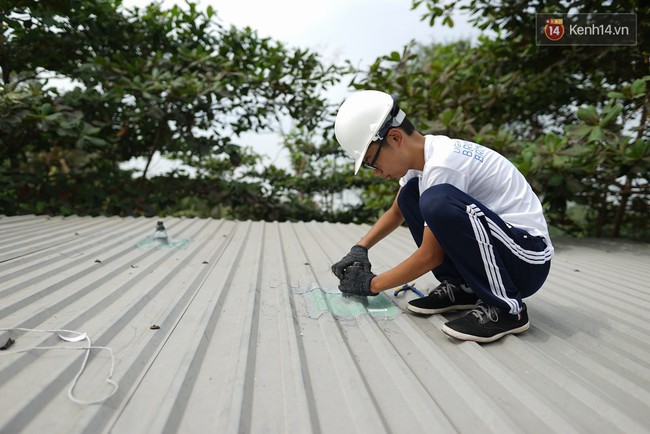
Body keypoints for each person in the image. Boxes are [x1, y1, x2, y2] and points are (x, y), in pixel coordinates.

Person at [331, 90, 553, 343]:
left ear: (394, 137)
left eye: (372, 162)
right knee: (410, 197)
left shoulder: (445, 164)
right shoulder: (423, 163)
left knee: (437, 202)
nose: (376, 173)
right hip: (505, 252)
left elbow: (430, 255)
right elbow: (396, 212)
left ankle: (507, 309)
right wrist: (360, 248)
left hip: (527, 259)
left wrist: (371, 285)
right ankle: (463, 287)